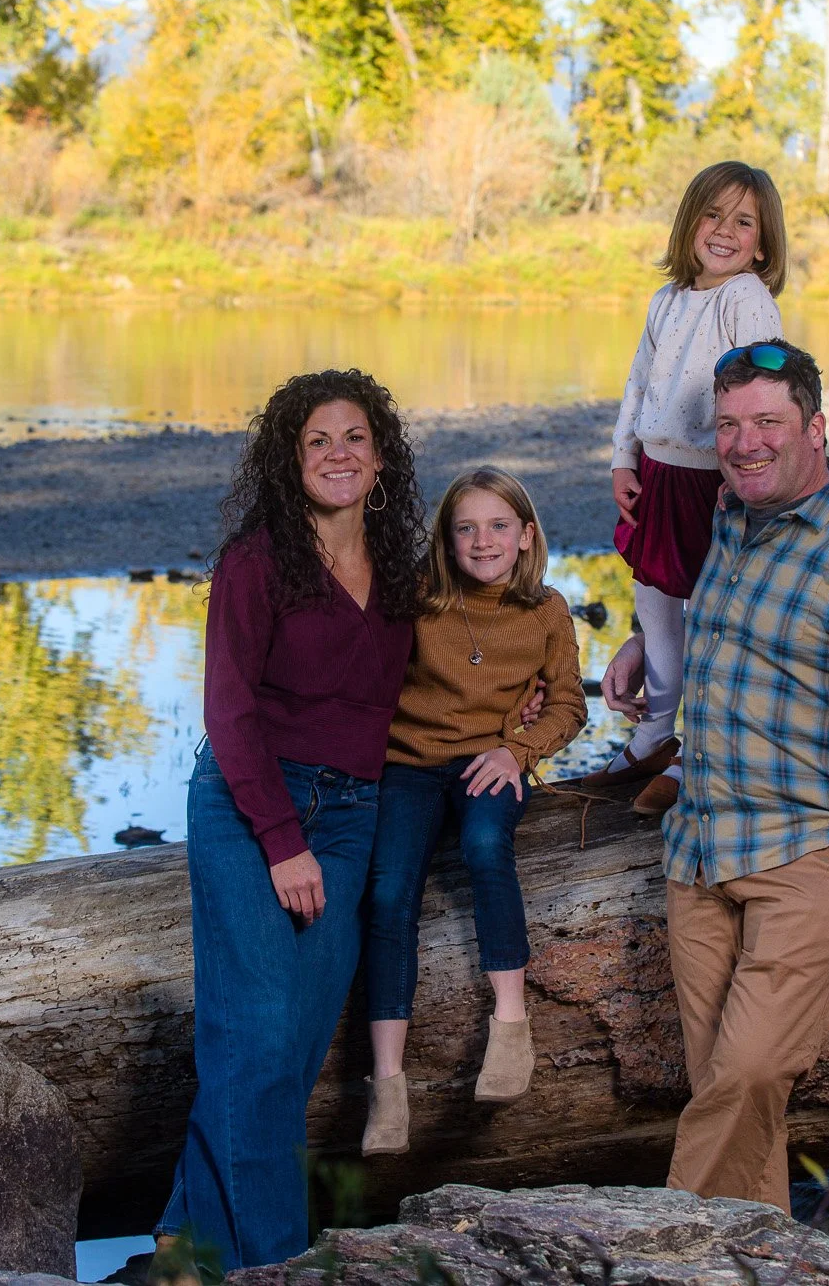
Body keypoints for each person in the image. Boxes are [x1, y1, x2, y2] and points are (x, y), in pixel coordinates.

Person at [600, 339, 829, 1213]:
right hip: (701, 855)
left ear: (816, 427)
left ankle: (662, 1259)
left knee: (748, 1073)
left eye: (767, 422)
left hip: (807, 859)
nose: (744, 441)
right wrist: (651, 638)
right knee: (733, 1099)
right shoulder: (733, 515)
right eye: (728, 425)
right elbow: (710, 626)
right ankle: (759, 1260)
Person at [156, 369, 425, 1272]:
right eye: (318, 440)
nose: (338, 454)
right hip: (250, 803)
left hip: (351, 814)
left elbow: (435, 680)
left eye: (354, 437)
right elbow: (228, 712)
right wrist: (280, 841)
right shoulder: (258, 561)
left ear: (380, 457)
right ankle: (272, 1262)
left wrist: (524, 713)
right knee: (258, 1036)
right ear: (291, 458)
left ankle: (180, 1234)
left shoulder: (397, 571)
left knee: (293, 1045)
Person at [360, 467, 588, 1155]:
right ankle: (387, 1083)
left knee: (488, 846)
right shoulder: (420, 600)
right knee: (389, 891)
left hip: (492, 759)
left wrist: (519, 749)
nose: (481, 540)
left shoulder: (546, 611)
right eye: (466, 528)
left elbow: (571, 703)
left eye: (497, 526)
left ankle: (511, 1027)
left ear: (525, 535)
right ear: (447, 539)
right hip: (410, 764)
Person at [585, 161, 789, 817]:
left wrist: (749, 471)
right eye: (713, 214)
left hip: (718, 479)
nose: (725, 231)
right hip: (659, 473)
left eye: (743, 221)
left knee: (713, 614)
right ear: (689, 221)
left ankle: (700, 747)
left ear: (761, 242)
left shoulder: (745, 298)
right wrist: (624, 458)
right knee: (658, 609)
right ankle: (653, 731)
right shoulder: (667, 300)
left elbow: (760, 393)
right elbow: (639, 384)